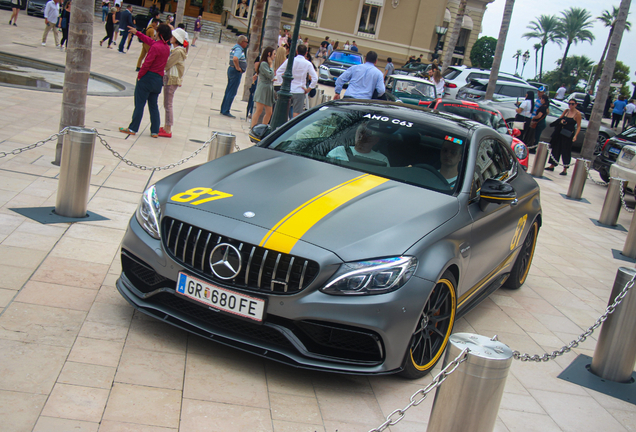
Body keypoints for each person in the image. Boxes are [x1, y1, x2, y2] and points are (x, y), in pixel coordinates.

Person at [119, 23, 172, 137]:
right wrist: (137, 32)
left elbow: (147, 63)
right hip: (158, 80)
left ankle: (133, 128)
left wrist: (140, 76)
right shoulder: (166, 48)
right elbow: (150, 41)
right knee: (153, 106)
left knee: (140, 104)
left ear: (160, 33)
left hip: (147, 78)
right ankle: (154, 131)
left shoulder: (155, 47)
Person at [158, 28, 187, 138]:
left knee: (168, 104)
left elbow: (168, 64)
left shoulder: (178, 52)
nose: (171, 38)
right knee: (166, 103)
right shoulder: (177, 50)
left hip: (172, 79)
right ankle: (166, 125)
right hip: (170, 78)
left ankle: (168, 128)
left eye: (173, 36)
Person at [275, 44, 317, 118]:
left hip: (289, 89)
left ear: (297, 51)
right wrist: (309, 89)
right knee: (296, 113)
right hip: (300, 90)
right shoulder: (308, 64)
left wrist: (282, 83)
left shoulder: (290, 60)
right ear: (306, 53)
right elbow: (315, 78)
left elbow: (279, 71)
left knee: (284, 112)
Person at [545, 99, 582, 176]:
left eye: (572, 104)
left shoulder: (577, 114)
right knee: (556, 148)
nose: (570, 105)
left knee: (566, 150)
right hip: (560, 132)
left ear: (575, 104)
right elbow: (560, 119)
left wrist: (575, 136)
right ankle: (552, 165)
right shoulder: (566, 111)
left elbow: (578, 126)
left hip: (568, 134)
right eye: (569, 104)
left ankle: (565, 168)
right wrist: (561, 121)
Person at [220, 35, 248, 118]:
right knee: (232, 91)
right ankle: (226, 110)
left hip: (231, 70)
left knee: (229, 89)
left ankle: (223, 108)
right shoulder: (239, 49)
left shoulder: (235, 47)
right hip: (235, 72)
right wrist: (238, 68)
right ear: (242, 42)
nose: (247, 44)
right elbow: (235, 58)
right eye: (246, 42)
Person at [251, 47, 276, 128]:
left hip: (268, 88)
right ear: (269, 54)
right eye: (274, 54)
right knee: (259, 110)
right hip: (263, 88)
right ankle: (253, 127)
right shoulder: (264, 64)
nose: (275, 56)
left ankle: (263, 128)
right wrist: (271, 65)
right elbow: (270, 75)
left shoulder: (266, 64)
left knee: (269, 112)